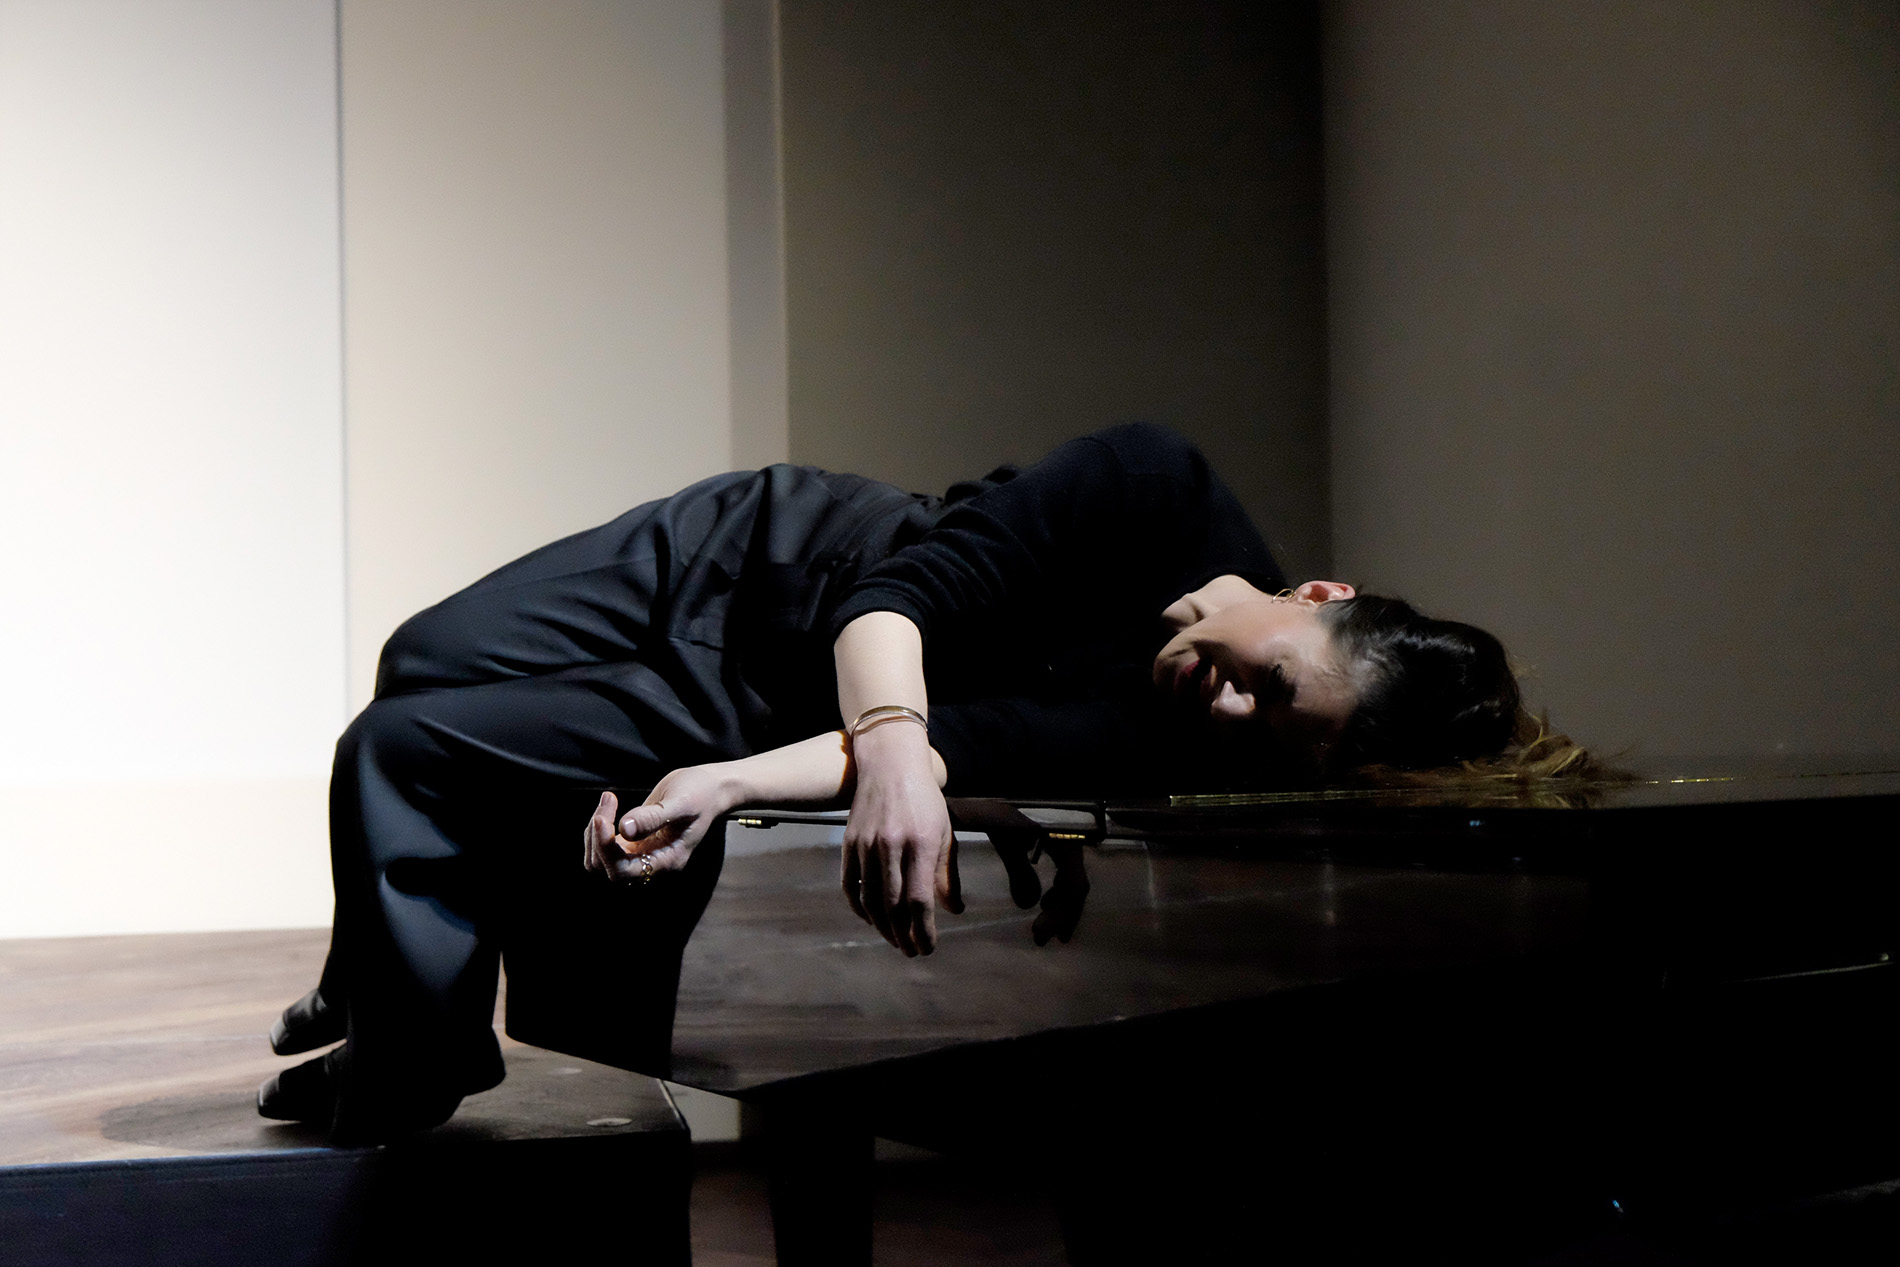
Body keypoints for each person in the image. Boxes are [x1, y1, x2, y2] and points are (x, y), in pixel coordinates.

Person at [257, 423, 1537, 1142]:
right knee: (420, 654)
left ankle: (413, 1050)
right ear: (1318, 594)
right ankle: (374, 973)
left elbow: (956, 742)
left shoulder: (1167, 737)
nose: (1228, 703)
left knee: (403, 743)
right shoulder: (1156, 485)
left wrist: (728, 782)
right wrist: (892, 749)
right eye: (1271, 676)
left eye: (1267, 728)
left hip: (756, 704)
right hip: (754, 553)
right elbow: (897, 602)